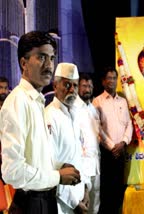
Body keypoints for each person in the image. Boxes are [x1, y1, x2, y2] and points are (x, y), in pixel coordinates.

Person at [0, 30, 80, 214]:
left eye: (51, 58)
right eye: (41, 57)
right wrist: (57, 176)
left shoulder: (36, 101)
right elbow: (13, 172)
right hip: (31, 204)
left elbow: (35, 156)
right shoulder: (18, 102)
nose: (49, 66)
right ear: (23, 63)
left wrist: (58, 166)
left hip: (44, 200)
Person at [45, 63, 89, 213]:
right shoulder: (49, 116)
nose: (72, 90)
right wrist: (74, 203)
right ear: (55, 86)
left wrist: (86, 188)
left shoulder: (75, 115)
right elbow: (52, 165)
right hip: (61, 202)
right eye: (67, 84)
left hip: (80, 196)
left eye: (75, 86)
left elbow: (80, 156)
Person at [93, 66, 133, 214]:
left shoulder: (123, 101)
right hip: (106, 154)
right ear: (103, 82)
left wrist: (123, 143)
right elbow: (97, 128)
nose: (111, 81)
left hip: (122, 151)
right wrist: (112, 147)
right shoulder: (97, 102)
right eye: (108, 78)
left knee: (119, 191)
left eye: (114, 78)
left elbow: (129, 123)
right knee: (106, 192)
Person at [74, 72, 101, 214]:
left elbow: (96, 136)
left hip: (95, 163)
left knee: (95, 200)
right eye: (84, 86)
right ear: (78, 87)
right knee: (82, 202)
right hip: (82, 164)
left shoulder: (93, 109)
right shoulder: (73, 108)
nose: (87, 89)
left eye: (90, 86)